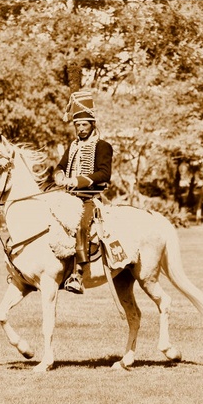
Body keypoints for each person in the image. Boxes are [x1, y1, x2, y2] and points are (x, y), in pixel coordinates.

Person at [53, 90, 113, 294]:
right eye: (77, 125)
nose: (80, 128)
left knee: (81, 226)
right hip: (67, 198)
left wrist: (77, 181)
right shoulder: (73, 147)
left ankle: (78, 274)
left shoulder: (103, 146)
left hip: (89, 198)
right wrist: (60, 176)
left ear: (92, 124)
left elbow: (104, 174)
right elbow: (60, 166)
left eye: (84, 124)